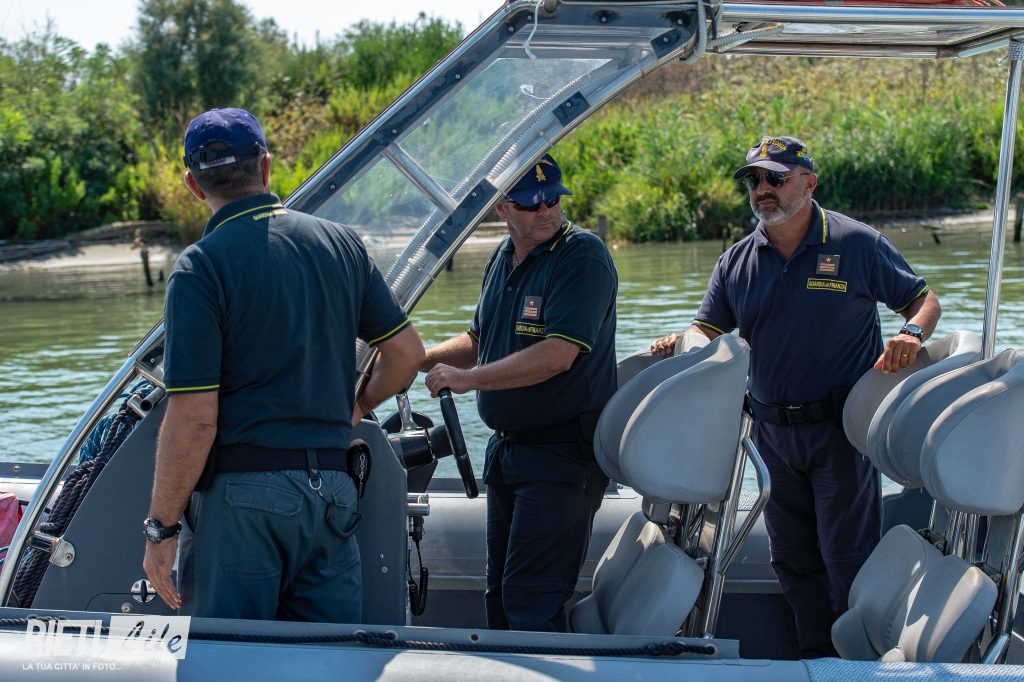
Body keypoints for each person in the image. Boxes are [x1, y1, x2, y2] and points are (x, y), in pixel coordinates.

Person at [652, 135, 941, 657]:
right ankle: (814, 661)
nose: (762, 189)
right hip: (770, 439)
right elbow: (707, 329)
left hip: (840, 435)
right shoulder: (736, 262)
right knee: (791, 561)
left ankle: (859, 667)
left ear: (809, 182)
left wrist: (912, 334)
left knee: (846, 558)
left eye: (776, 178)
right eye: (754, 180)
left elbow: (924, 301)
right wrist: (683, 340)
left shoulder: (857, 243)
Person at [142, 108, 424, 622]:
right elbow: (407, 353)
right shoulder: (342, 243)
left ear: (193, 185)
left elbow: (195, 419)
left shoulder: (200, 267)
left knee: (230, 657)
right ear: (266, 168)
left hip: (243, 502)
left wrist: (161, 529)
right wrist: (359, 407)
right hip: (333, 493)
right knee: (331, 657)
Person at [422, 154, 617, 632]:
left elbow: (558, 354)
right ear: (502, 208)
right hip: (509, 454)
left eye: (553, 199)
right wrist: (416, 359)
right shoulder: (501, 257)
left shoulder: (582, 255)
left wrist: (467, 380)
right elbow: (478, 340)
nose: (546, 211)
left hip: (561, 458)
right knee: (500, 597)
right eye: (531, 203)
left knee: (531, 602)